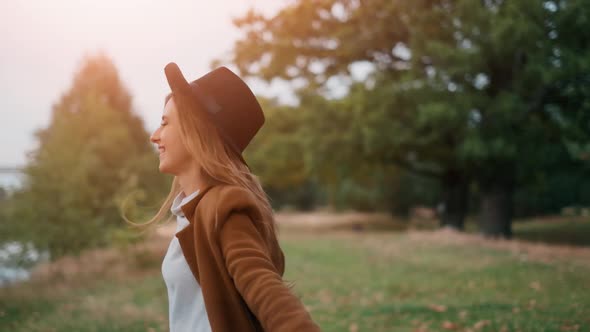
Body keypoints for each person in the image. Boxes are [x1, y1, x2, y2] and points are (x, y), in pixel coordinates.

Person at [146, 62, 321, 332]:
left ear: (196, 132)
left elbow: (265, 289)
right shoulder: (191, 210)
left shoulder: (222, 207)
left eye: (164, 123)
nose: (154, 136)